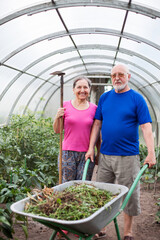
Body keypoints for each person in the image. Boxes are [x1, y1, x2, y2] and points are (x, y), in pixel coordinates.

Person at [85, 64, 156, 240]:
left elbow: (146, 126)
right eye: (114, 75)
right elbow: (97, 124)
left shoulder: (136, 99)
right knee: (101, 192)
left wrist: (151, 152)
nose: (117, 78)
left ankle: (128, 231)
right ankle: (101, 227)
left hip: (128, 156)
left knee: (129, 193)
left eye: (121, 75)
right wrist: (90, 148)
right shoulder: (105, 98)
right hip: (106, 156)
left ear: (128, 77)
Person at [53, 76, 98, 183]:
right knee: (66, 185)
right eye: (79, 87)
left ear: (89, 89)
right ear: (73, 90)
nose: (82, 90)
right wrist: (57, 116)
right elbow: (57, 130)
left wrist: (97, 151)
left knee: (82, 186)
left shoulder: (94, 108)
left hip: (87, 154)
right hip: (67, 153)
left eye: (85, 87)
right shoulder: (65, 106)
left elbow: (96, 131)